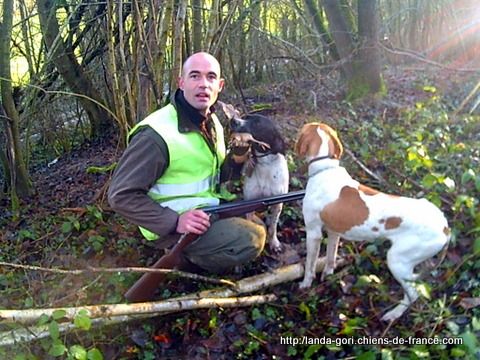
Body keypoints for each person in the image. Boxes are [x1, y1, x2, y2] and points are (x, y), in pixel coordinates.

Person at [108, 52, 266, 274]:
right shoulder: (156, 135)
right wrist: (174, 221)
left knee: (258, 224)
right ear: (181, 83)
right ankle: (184, 260)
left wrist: (238, 158)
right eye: (194, 76)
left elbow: (215, 177)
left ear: (220, 85)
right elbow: (120, 195)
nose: (203, 84)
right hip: (173, 228)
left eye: (211, 77)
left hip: (205, 210)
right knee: (251, 239)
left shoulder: (212, 123)